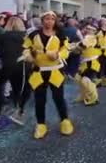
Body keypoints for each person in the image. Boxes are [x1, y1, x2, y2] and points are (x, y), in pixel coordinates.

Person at [22, 11, 73, 139]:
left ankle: (65, 121)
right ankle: (41, 124)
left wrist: (58, 55)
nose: (49, 21)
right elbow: (26, 48)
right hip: (39, 71)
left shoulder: (61, 34)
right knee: (39, 100)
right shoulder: (33, 34)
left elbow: (66, 50)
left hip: (55, 71)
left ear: (55, 21)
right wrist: (28, 56)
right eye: (46, 19)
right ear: (42, 20)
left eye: (51, 19)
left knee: (59, 98)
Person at [74, 25, 100, 106]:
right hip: (85, 63)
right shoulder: (86, 38)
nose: (88, 30)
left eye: (90, 29)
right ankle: (84, 95)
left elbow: (82, 46)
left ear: (94, 31)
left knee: (85, 80)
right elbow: (80, 45)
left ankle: (94, 98)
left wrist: (74, 47)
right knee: (79, 78)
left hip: (92, 62)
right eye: (87, 29)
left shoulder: (91, 37)